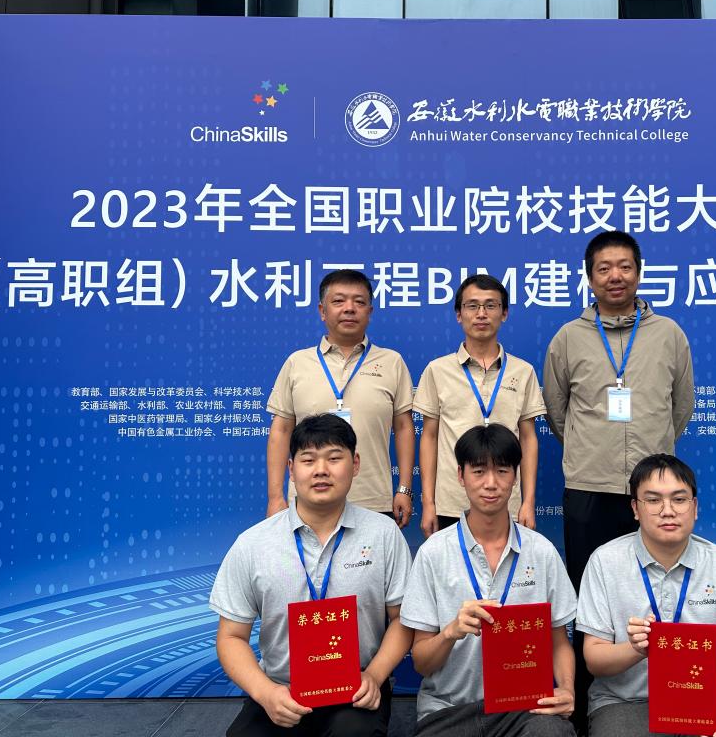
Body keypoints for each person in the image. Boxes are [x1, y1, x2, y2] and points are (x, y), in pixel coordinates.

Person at [543, 231, 694, 728]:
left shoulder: (669, 333)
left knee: (659, 592)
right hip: (589, 486)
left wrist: (652, 455)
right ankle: (586, 707)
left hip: (653, 492)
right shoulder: (569, 337)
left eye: (625, 266)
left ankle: (671, 698)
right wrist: (592, 449)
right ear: (589, 277)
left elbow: (681, 406)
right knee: (587, 597)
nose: (615, 276)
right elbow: (558, 411)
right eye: (604, 268)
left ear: (639, 272)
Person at [211, 414, 414, 737]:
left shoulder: (383, 534)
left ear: (355, 464)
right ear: (291, 470)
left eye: (334, 458)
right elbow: (230, 637)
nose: (321, 470)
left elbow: (402, 619)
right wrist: (266, 693)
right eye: (308, 460)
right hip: (281, 690)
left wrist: (374, 676)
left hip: (355, 691)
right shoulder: (253, 544)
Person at [576, 454, 716, 737]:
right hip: (628, 702)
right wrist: (636, 648)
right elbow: (594, 659)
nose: (668, 511)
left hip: (708, 697)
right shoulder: (605, 562)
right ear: (635, 508)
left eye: (679, 499)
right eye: (653, 500)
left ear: (695, 507)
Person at [401, 424, 577, 737]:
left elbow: (559, 641)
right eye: (479, 471)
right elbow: (422, 663)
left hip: (524, 708)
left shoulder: (541, 552)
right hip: (448, 709)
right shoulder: (433, 553)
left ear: (516, 476)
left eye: (502, 471)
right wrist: (450, 632)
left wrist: (566, 689)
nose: (491, 483)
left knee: (552, 732)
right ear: (460, 475)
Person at [265, 269, 416, 526]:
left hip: (372, 501)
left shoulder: (392, 362)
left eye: (359, 302)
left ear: (370, 311)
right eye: (338, 301)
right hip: (307, 501)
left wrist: (404, 489)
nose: (349, 308)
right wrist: (275, 496)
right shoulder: (297, 362)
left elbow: (403, 428)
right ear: (322, 311)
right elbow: (281, 430)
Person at [414, 274, 546, 537]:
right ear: (459, 314)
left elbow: (528, 438)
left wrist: (528, 501)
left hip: (506, 501)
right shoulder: (437, 370)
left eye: (491, 305)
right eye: (472, 306)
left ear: (504, 313)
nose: (481, 314)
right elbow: (429, 437)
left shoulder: (523, 371)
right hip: (451, 502)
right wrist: (428, 503)